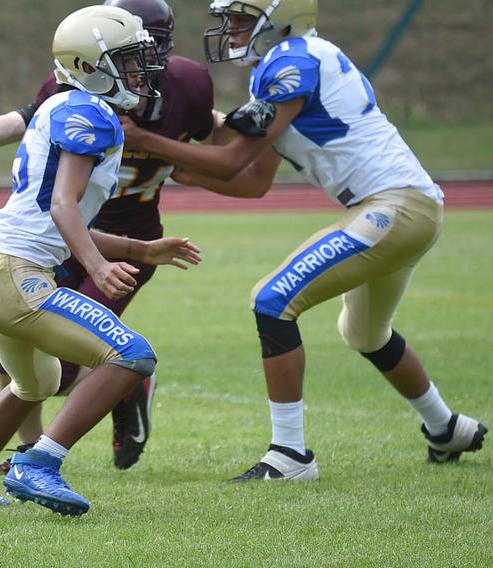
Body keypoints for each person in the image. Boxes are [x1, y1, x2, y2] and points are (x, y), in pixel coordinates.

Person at [120, 0, 487, 481]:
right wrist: (176, 168)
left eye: (242, 19)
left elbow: (232, 160)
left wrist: (147, 142)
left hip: (392, 207)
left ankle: (289, 455)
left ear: (280, 17)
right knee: (363, 332)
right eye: (229, 18)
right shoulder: (285, 65)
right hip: (398, 208)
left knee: (272, 301)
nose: (231, 29)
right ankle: (446, 427)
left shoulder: (290, 64)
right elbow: (253, 181)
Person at [0, 0, 216, 471]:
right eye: (130, 58)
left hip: (75, 242)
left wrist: (141, 246)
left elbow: (214, 148)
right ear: (93, 66)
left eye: (145, 54)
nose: (145, 69)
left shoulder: (153, 92)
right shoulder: (81, 107)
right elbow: (43, 185)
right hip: (47, 253)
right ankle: (37, 461)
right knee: (118, 357)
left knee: (40, 378)